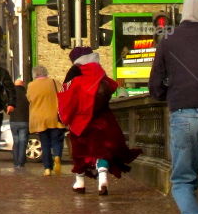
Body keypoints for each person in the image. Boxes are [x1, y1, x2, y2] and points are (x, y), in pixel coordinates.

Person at [148, 0, 198, 214]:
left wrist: (168, 96)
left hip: (182, 114)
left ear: (184, 13)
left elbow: (155, 86)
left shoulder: (167, 42)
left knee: (183, 179)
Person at [58, 47, 139, 196]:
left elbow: (68, 99)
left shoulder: (75, 74)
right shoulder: (100, 73)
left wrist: (64, 117)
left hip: (81, 121)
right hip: (103, 118)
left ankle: (80, 183)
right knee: (103, 150)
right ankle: (102, 177)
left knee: (80, 152)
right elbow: (113, 86)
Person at [27, 65, 65, 176]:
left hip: (40, 119)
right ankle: (57, 156)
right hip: (54, 117)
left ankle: (47, 169)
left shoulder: (31, 85)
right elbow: (63, 94)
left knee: (45, 144)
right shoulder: (54, 82)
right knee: (57, 140)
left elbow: (29, 98)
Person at [10, 78, 30, 170]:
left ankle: (16, 161)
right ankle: (21, 163)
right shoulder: (27, 94)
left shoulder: (11, 94)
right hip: (24, 121)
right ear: (22, 85)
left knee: (16, 142)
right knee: (23, 142)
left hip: (13, 121)